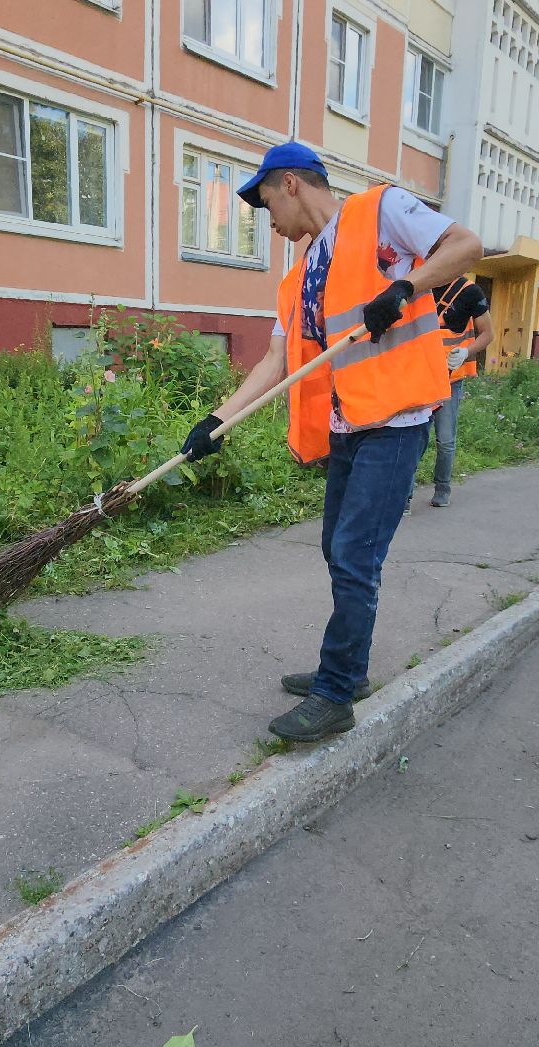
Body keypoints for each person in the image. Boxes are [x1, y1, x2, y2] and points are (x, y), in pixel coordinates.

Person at [178, 142, 484, 742]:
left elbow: (466, 246)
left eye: (266, 202)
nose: (267, 220)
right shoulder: (298, 278)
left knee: (354, 554)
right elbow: (274, 359)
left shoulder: (381, 211)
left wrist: (404, 287)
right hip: (349, 428)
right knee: (337, 548)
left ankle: (336, 691)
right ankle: (350, 666)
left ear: (290, 183)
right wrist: (217, 421)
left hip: (396, 422)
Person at [427, 276, 494, 507]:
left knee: (445, 439)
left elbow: (488, 333)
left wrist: (466, 351)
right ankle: (404, 496)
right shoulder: (421, 284)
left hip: (450, 380)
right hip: (419, 378)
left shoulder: (470, 292)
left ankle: (442, 488)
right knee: (413, 440)